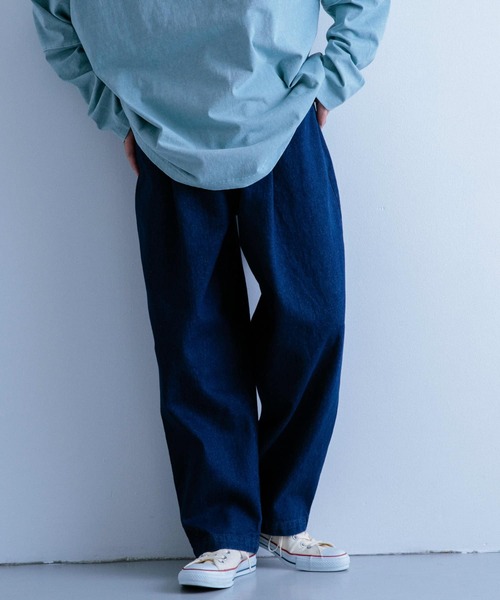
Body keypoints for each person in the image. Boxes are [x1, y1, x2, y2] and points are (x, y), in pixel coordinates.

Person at [31, 0, 390, 590]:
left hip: (281, 115)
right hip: (163, 130)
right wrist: (115, 113)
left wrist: (332, 79)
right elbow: (51, 14)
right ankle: (224, 531)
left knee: (315, 313)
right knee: (193, 336)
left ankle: (281, 515)